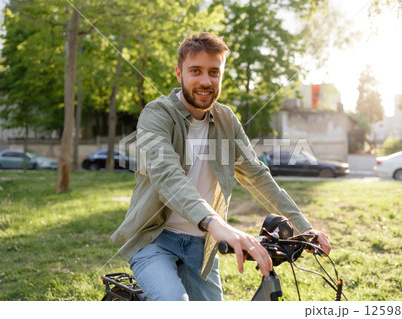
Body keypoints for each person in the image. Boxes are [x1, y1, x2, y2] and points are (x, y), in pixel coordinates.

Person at [111, 32, 331, 301]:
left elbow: (257, 176)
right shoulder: (156, 115)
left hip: (202, 245)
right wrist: (215, 223)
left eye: (214, 72)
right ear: (179, 74)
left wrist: (303, 227)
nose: (206, 81)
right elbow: (167, 175)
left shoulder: (226, 119)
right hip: (154, 239)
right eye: (196, 71)